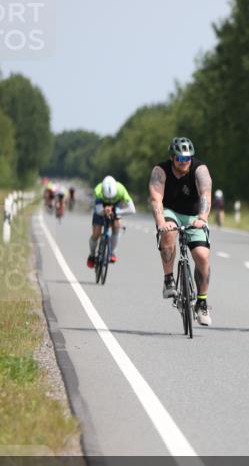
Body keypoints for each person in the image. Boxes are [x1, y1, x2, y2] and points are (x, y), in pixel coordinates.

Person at [149, 137, 214, 326]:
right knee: (168, 234)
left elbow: (206, 195)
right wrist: (161, 222)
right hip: (170, 212)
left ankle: (202, 302)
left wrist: (202, 218)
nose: (184, 162)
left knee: (202, 256)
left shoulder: (200, 170)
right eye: (179, 159)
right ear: (172, 158)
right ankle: (169, 279)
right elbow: (156, 199)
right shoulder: (160, 171)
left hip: (194, 215)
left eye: (187, 159)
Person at [87, 175, 136, 267]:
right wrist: (104, 211)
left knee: (117, 225)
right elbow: (98, 211)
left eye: (111, 198)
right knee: (96, 233)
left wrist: (118, 212)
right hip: (101, 207)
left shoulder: (121, 189)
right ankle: (92, 255)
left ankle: (112, 252)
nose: (109, 200)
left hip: (115, 207)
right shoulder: (98, 190)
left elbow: (132, 209)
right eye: (108, 198)